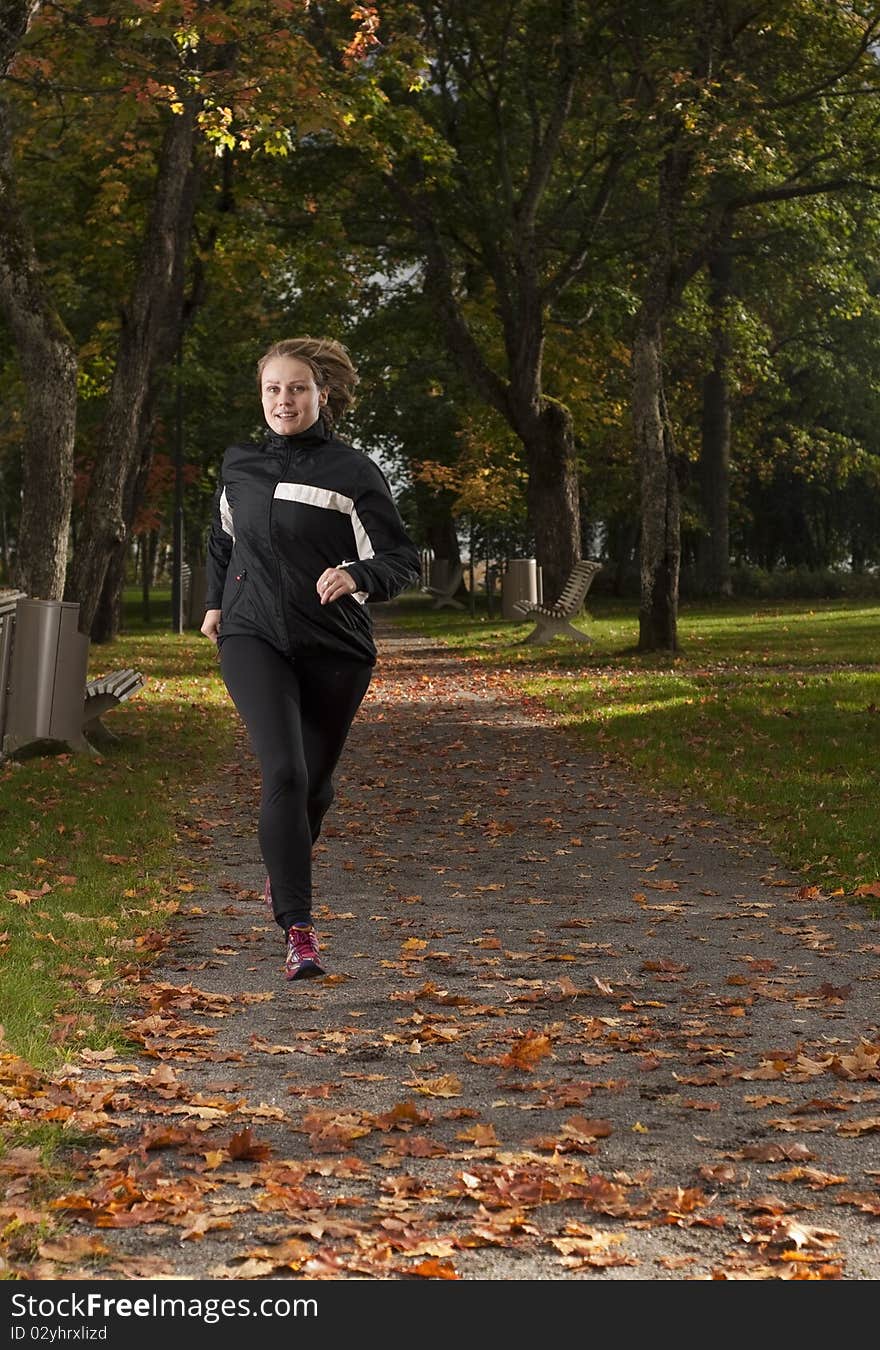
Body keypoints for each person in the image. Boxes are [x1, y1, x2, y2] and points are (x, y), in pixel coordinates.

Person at [201, 337, 421, 980]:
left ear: (321, 395)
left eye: (297, 388)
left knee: (315, 788)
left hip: (335, 646)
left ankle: (285, 869)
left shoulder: (352, 471)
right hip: (252, 638)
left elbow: (402, 559)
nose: (284, 400)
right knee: (286, 775)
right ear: (261, 396)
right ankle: (298, 928)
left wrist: (357, 576)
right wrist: (216, 604)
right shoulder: (239, 464)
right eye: (273, 388)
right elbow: (223, 540)